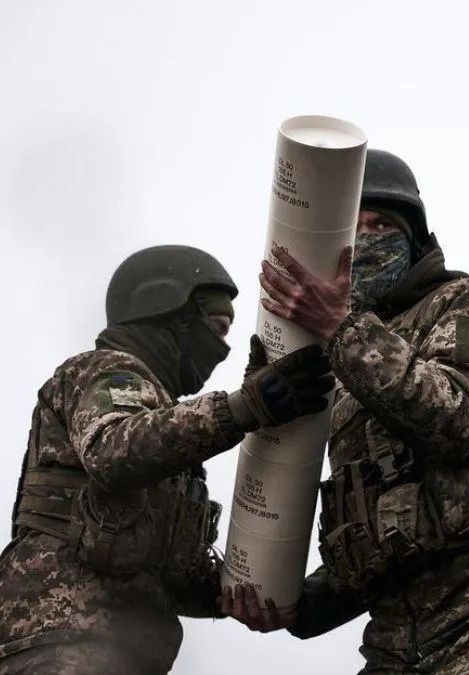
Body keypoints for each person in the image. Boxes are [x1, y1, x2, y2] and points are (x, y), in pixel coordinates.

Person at [224, 149, 469, 674]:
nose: (368, 236)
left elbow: (456, 417)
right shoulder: (344, 372)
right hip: (396, 648)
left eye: (383, 224)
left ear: (413, 238)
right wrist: (294, 606)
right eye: (356, 226)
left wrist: (340, 330)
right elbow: (388, 532)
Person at [0, 245, 334, 674]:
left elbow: (179, 576)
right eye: (215, 326)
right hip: (58, 639)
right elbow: (113, 449)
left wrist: (257, 593)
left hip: (124, 655)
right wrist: (245, 408)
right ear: (170, 313)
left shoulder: (169, 436)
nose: (223, 348)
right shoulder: (105, 371)